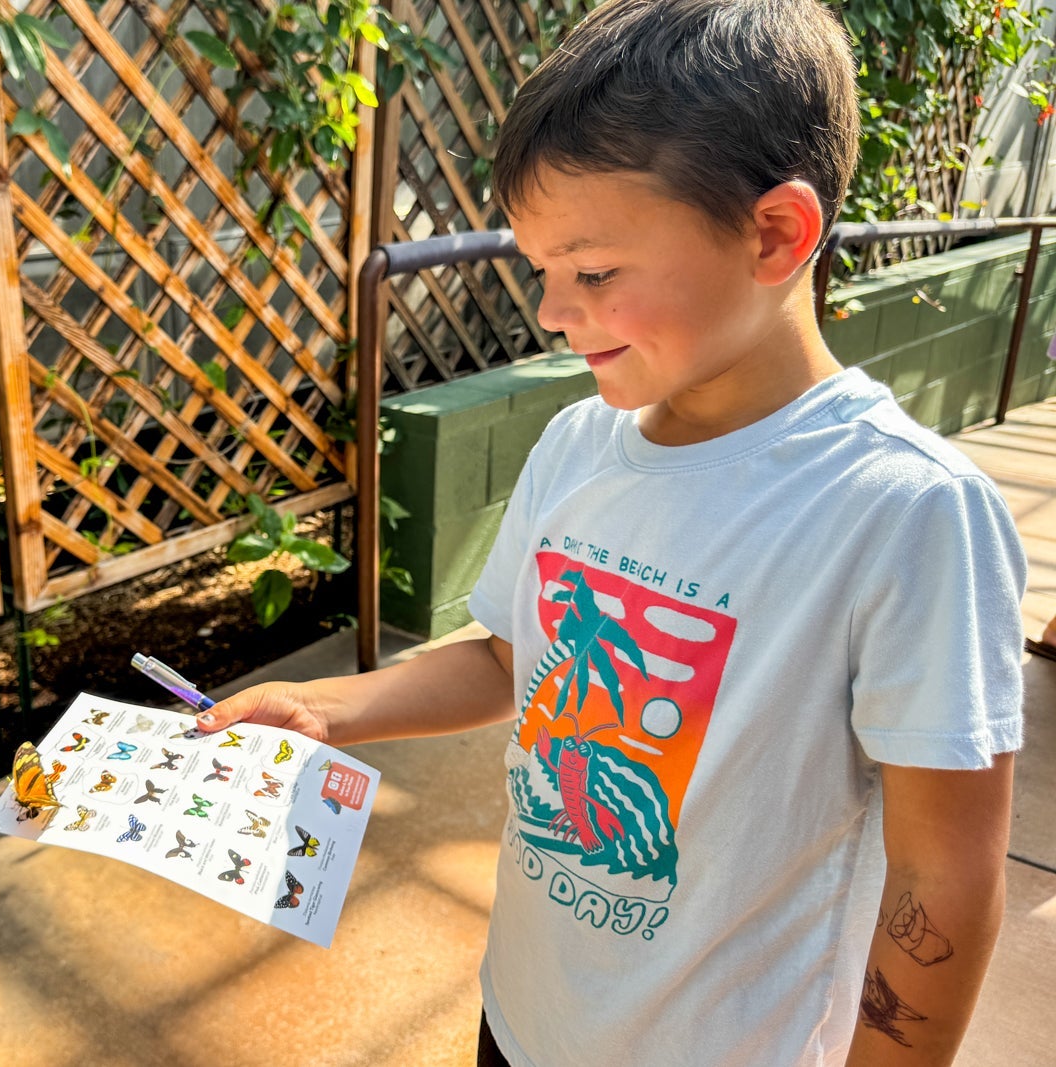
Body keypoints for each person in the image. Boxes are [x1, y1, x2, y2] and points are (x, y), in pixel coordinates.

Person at [195, 1, 1026, 1063]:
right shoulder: (579, 443)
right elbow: (509, 658)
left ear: (775, 234)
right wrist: (323, 705)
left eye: (591, 272)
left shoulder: (907, 513)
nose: (552, 309)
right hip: (527, 1013)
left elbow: (941, 880)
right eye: (540, 270)